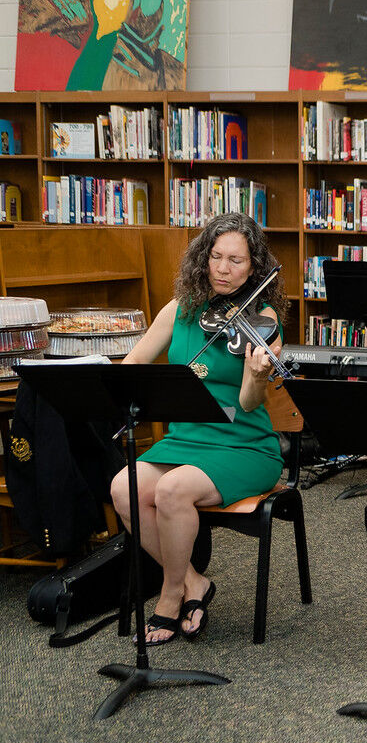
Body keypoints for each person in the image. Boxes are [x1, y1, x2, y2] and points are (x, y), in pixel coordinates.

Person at [110, 212, 286, 645]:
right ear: (202, 258)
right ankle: (194, 582)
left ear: (255, 267)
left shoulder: (263, 322)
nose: (223, 269)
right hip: (186, 440)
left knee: (171, 491)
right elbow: (133, 367)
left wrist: (258, 375)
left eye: (237, 261)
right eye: (216, 256)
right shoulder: (179, 310)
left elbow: (247, 404)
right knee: (122, 488)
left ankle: (170, 595)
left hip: (244, 447)